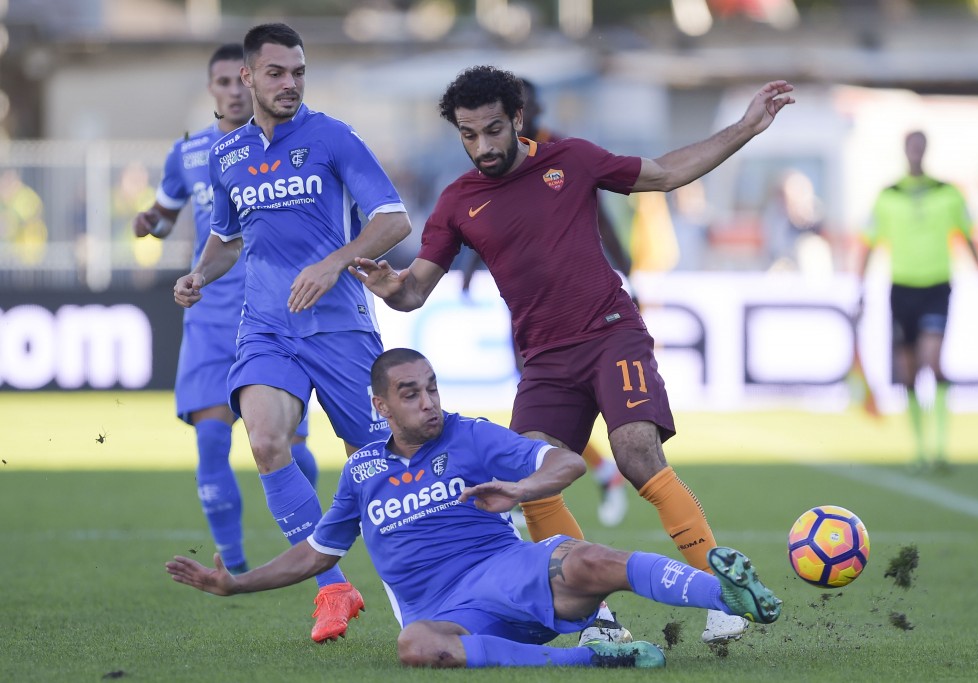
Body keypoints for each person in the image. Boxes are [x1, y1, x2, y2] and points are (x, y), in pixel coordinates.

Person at [349, 65, 794, 645]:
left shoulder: (572, 160)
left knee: (636, 454)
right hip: (544, 361)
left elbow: (665, 174)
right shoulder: (458, 200)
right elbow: (414, 292)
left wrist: (746, 127)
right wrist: (391, 287)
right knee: (531, 475)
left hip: (610, 333)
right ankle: (598, 621)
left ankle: (721, 595)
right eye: (468, 135)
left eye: (492, 130)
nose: (482, 147)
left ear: (517, 119)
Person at [166, 348, 782, 669]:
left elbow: (566, 462)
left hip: (515, 575)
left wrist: (521, 490)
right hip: (451, 616)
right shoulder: (362, 471)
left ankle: (729, 596)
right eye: (411, 394)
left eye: (432, 388)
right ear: (382, 407)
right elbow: (317, 553)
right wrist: (237, 584)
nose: (429, 403)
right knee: (414, 646)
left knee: (588, 558)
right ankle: (590, 660)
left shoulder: (470, 435)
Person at [171, 24, 412, 642]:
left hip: (339, 328)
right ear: (248, 77)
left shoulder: (333, 136)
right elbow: (226, 239)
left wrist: (335, 263)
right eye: (276, 72)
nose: (290, 83)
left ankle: (449, 571)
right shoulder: (228, 155)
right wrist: (199, 274)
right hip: (267, 329)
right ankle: (333, 588)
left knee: (385, 467)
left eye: (298, 72)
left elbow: (393, 219)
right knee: (266, 441)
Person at [134, 43, 323, 578]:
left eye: (239, 81)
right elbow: (167, 214)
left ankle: (314, 553)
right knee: (212, 441)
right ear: (211, 88)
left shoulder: (290, 143)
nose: (234, 92)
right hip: (210, 316)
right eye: (222, 83)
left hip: (273, 309)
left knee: (290, 447)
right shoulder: (189, 153)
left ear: (252, 80)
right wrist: (150, 223)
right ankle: (232, 565)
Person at [459, 77, 629, 529]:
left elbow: (598, 209)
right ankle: (591, 474)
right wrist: (471, 269)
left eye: (525, 107)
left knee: (568, 399)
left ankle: (581, 477)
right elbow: (490, 219)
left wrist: (626, 265)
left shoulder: (559, 152)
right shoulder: (494, 157)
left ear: (528, 112)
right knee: (539, 398)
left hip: (579, 301)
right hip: (527, 303)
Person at [858, 130, 978, 472]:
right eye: (911, 146)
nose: (916, 152)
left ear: (926, 150)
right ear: (905, 150)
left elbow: (968, 237)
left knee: (932, 363)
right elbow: (869, 242)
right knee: (907, 372)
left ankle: (941, 449)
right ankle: (919, 451)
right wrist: (859, 286)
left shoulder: (948, 193)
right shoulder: (888, 195)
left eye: (920, 146)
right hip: (901, 288)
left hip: (936, 286)